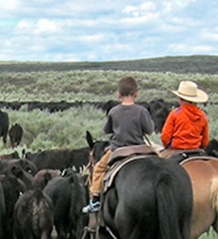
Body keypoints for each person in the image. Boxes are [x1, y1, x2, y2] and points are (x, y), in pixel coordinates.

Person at [83, 76, 156, 213]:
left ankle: (95, 201)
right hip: (140, 149)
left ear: (118, 95)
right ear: (136, 94)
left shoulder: (114, 111)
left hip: (118, 150)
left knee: (98, 169)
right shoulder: (141, 111)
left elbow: (106, 131)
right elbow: (150, 132)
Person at [161, 80, 209, 155]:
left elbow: (165, 136)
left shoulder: (175, 113)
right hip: (195, 149)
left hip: (176, 148)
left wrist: (167, 146)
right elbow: (205, 139)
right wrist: (201, 147)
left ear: (180, 99)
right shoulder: (202, 116)